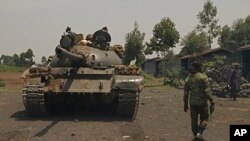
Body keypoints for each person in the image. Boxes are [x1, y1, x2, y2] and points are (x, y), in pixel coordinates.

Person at [183, 62, 215, 141]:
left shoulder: (188, 79)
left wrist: (185, 104)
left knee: (194, 120)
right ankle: (199, 133)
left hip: (192, 103)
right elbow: (207, 91)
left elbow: (186, 93)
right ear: (198, 68)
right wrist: (212, 101)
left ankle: (196, 136)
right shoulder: (203, 77)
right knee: (205, 118)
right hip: (202, 103)